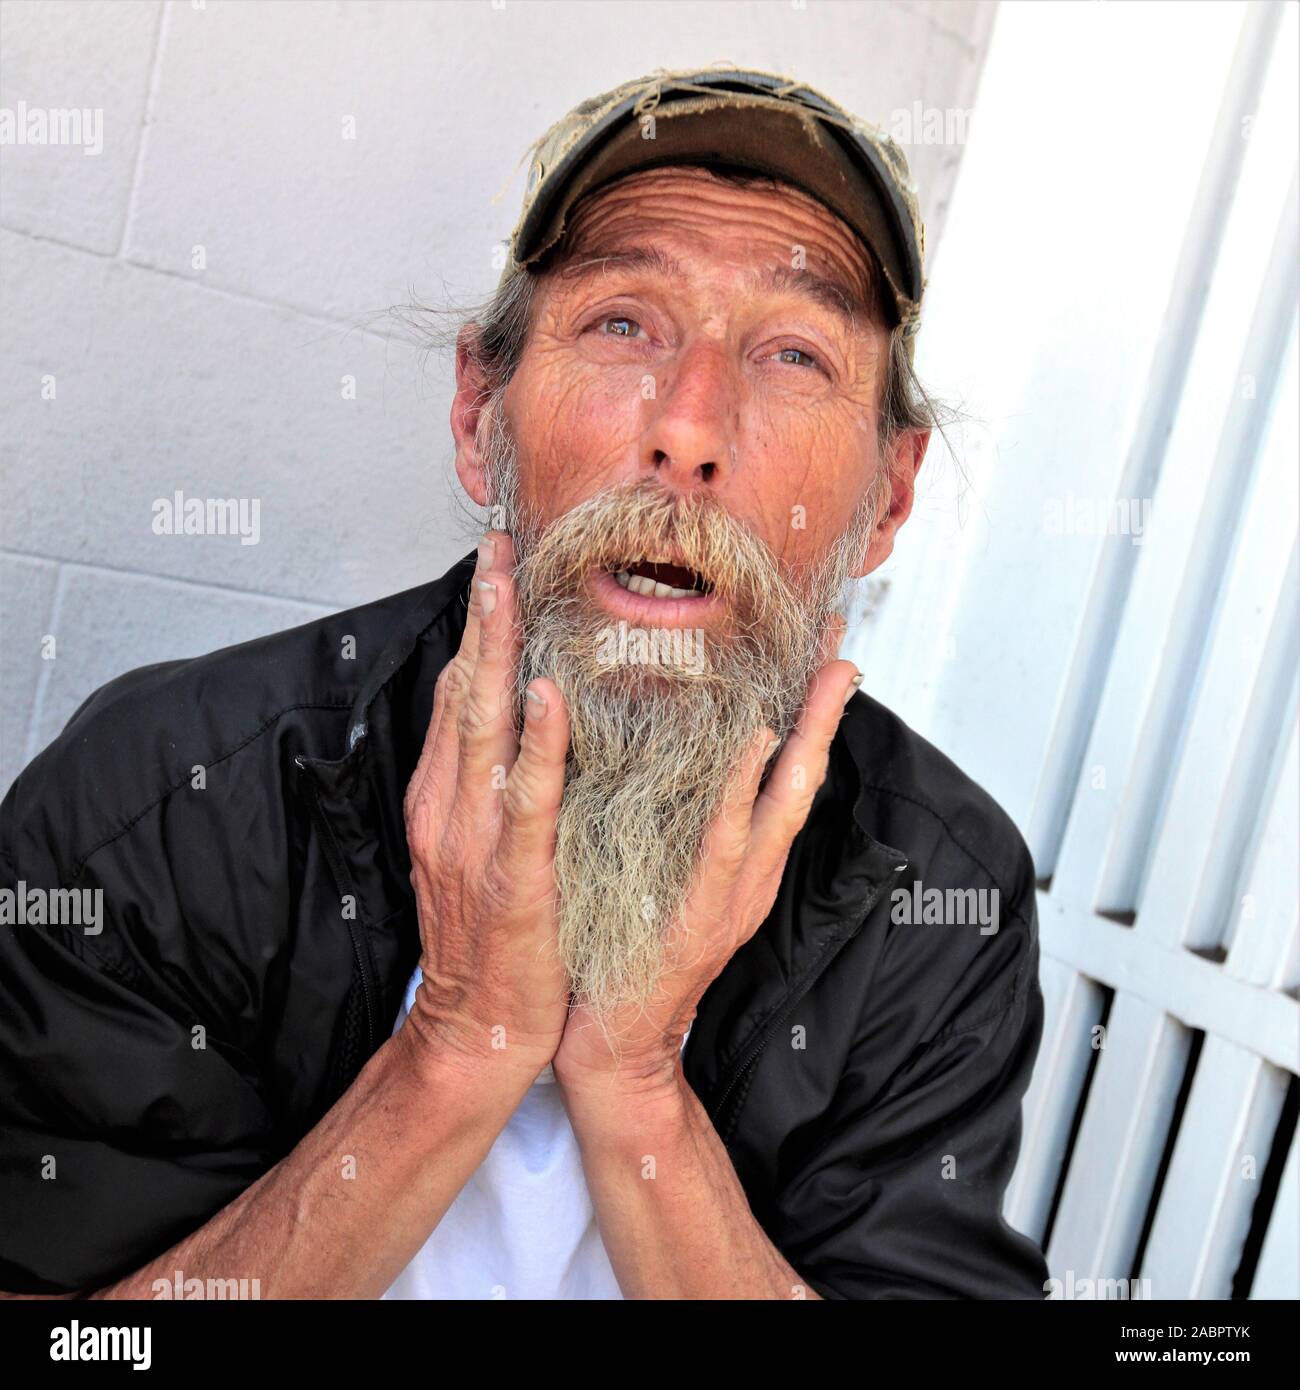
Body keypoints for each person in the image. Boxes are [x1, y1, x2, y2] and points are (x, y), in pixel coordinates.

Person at [0, 67, 1049, 1300]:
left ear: (892, 498)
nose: (690, 427)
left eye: (793, 352)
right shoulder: (167, 799)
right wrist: (456, 1040)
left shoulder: (942, 889)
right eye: (622, 323)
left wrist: (639, 1080)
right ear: (477, 407)